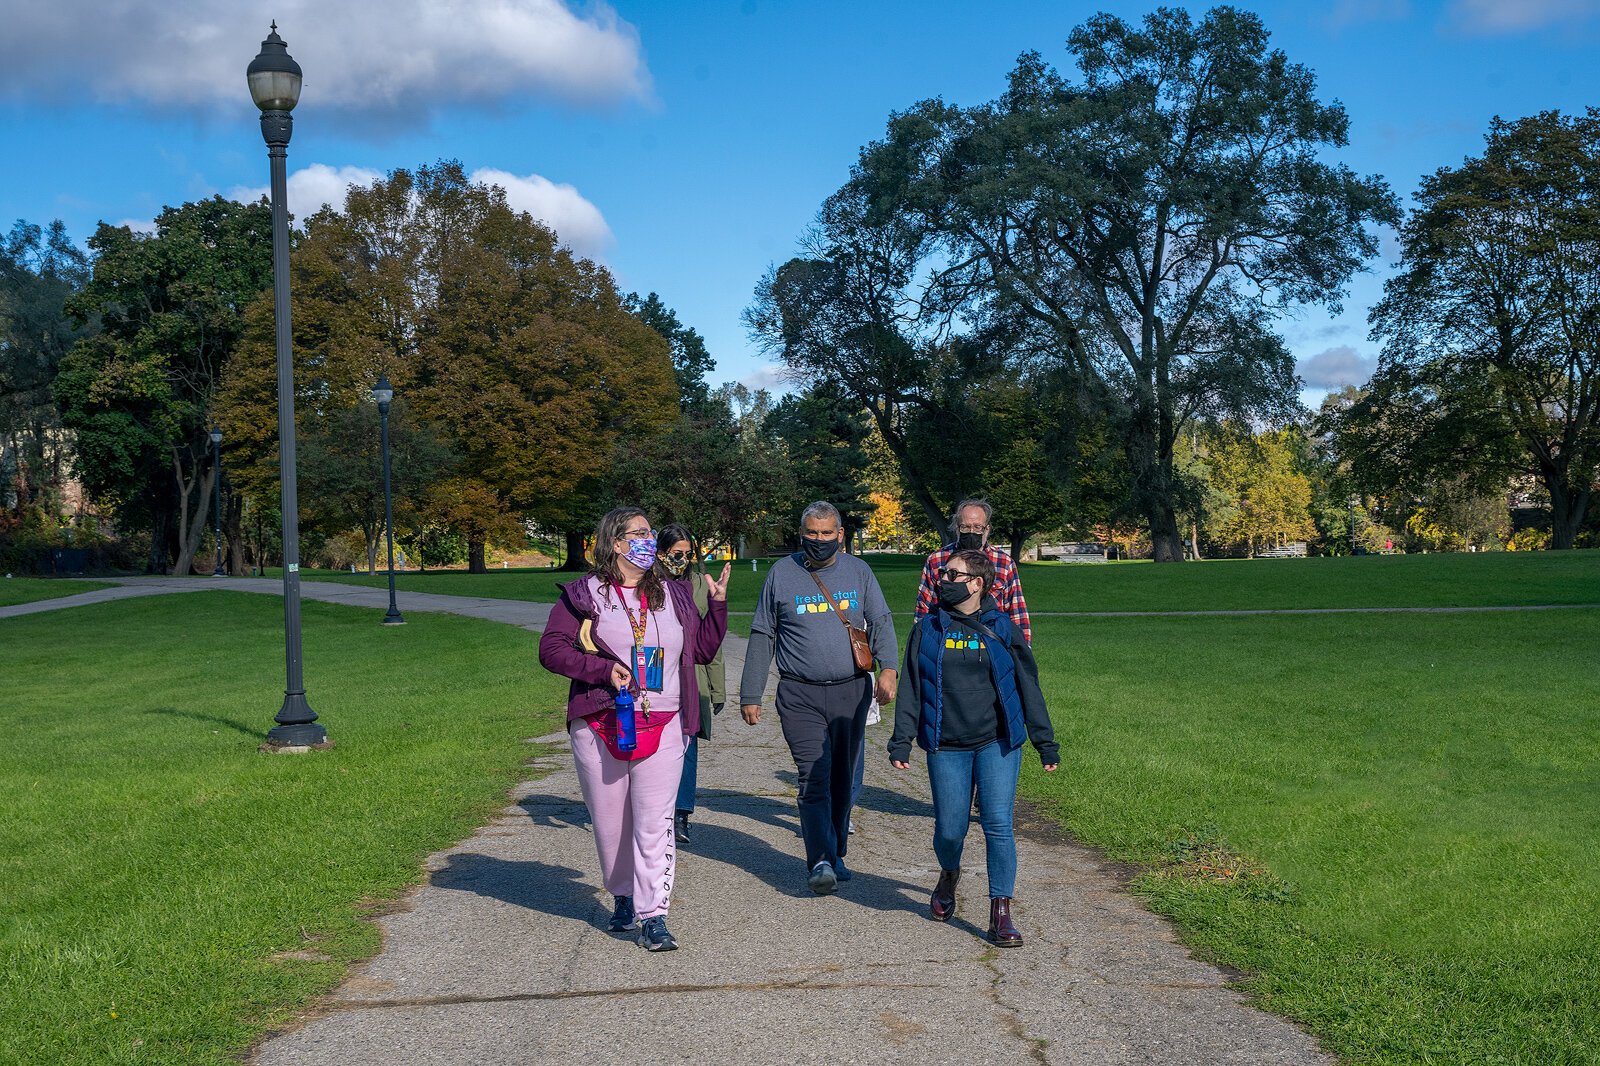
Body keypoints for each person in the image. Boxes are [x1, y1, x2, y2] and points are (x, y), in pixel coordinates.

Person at [538, 507, 729, 952]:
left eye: (651, 533)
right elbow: (551, 650)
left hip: (665, 722)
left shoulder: (675, 593)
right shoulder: (585, 594)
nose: (649, 540)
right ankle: (622, 894)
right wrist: (604, 671)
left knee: (654, 821)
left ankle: (653, 915)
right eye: (640, 533)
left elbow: (700, 650)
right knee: (610, 823)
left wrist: (717, 605)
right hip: (602, 721)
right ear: (617, 543)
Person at [889, 548, 1058, 947]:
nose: (943, 581)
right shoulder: (927, 628)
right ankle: (949, 873)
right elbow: (912, 686)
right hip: (946, 744)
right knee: (951, 829)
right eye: (944, 574)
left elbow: (1027, 686)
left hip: (997, 742)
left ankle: (1001, 910)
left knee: (998, 824)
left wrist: (1044, 742)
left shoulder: (1002, 626)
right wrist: (902, 741)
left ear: (977, 583)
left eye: (953, 575)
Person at [739, 501, 898, 895]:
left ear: (840, 535)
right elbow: (763, 633)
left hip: (851, 692)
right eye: (812, 532)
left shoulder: (859, 571)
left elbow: (879, 620)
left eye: (827, 533)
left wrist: (890, 669)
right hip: (799, 694)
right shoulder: (781, 573)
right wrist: (750, 692)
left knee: (843, 780)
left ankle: (836, 849)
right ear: (801, 532)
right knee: (814, 775)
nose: (820, 540)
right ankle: (820, 860)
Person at [655, 524, 727, 845]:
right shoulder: (649, 584)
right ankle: (656, 810)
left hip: (690, 675)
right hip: (656, 672)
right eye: (675, 554)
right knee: (655, 745)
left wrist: (717, 689)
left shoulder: (699, 584)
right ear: (660, 553)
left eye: (688, 554)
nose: (682, 560)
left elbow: (710, 641)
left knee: (687, 746)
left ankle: (681, 815)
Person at [913, 498, 1032, 644]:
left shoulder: (1004, 563)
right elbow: (924, 608)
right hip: (948, 640)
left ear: (987, 528)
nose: (971, 532)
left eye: (977, 527)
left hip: (991, 640)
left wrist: (1024, 651)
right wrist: (919, 644)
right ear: (957, 527)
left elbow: (1017, 611)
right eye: (965, 527)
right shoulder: (937, 560)